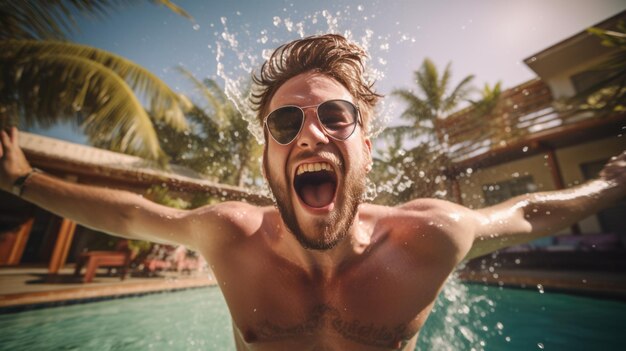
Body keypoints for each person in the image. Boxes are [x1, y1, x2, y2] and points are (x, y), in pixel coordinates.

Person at [1, 34, 624, 350]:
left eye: (336, 117)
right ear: (268, 156)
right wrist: (24, 180)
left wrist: (606, 183)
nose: (309, 135)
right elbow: (136, 213)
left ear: (367, 146)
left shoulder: (428, 236)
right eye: (285, 123)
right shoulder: (229, 234)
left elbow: (529, 211)